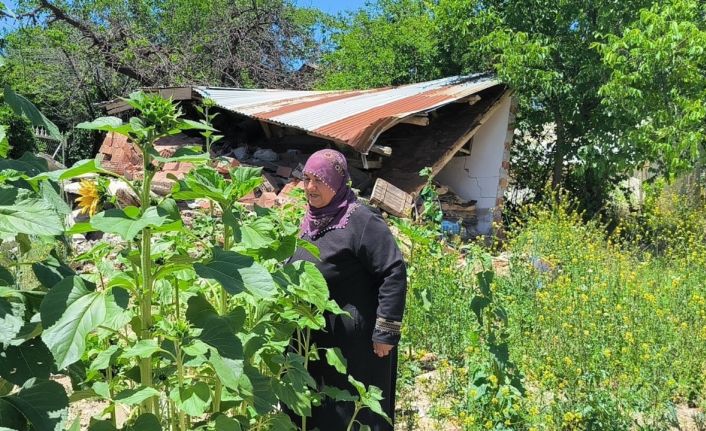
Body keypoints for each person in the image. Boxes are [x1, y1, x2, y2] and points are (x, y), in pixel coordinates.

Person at [290, 149, 407, 430]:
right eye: (306, 179)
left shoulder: (361, 221)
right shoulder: (310, 220)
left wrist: (386, 332)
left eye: (319, 180)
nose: (310, 187)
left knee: (353, 414)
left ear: (337, 181)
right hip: (313, 339)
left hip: (356, 346)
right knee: (319, 411)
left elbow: (393, 272)